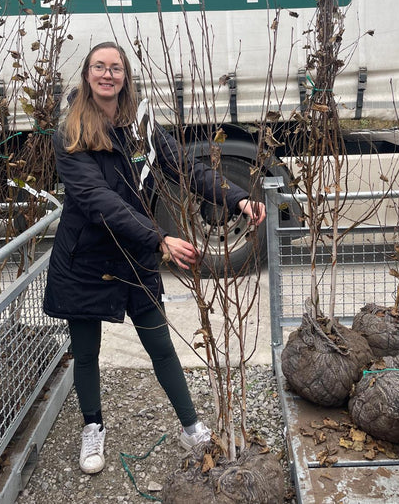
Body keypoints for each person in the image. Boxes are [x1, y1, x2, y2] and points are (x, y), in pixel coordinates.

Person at [43, 41, 266, 475]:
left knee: (160, 344)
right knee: (86, 351)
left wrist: (238, 198)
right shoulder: (69, 131)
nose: (107, 75)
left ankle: (191, 426)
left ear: (125, 75)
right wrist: (160, 238)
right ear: (87, 75)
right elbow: (96, 199)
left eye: (116, 68)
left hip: (134, 256)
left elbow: (185, 167)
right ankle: (93, 426)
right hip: (85, 258)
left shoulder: (140, 126)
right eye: (99, 67)